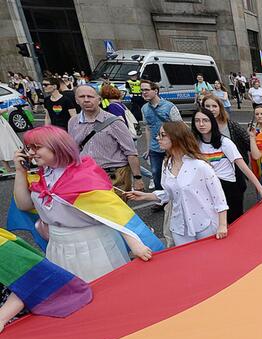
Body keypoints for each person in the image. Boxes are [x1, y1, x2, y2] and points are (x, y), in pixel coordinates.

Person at [12, 126, 155, 281]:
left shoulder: (84, 175)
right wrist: (20, 172)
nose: (30, 153)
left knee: (104, 291)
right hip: (58, 245)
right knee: (70, 295)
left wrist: (135, 244)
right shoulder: (40, 175)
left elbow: (115, 212)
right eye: (28, 148)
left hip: (93, 245)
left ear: (58, 147)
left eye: (37, 147)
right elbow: (24, 205)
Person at [126, 122, 228, 246]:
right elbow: (170, 193)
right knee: (187, 262)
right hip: (179, 226)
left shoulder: (200, 166)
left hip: (205, 224)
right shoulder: (166, 164)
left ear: (176, 137)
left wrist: (222, 225)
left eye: (162, 135)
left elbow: (219, 198)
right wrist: (145, 196)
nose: (158, 138)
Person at [191, 109, 262, 223]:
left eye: (205, 120)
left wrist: (261, 189)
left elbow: (243, 166)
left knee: (234, 222)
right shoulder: (194, 144)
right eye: (197, 121)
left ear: (212, 122)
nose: (201, 124)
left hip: (228, 187)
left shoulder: (225, 142)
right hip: (207, 188)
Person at [68, 84, 143, 192]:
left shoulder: (114, 122)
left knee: (116, 208)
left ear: (99, 100)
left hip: (114, 176)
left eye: (90, 96)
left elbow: (131, 152)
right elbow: (74, 150)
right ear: (76, 100)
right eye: (82, 97)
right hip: (87, 175)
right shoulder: (73, 122)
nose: (86, 100)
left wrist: (137, 178)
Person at [141, 79, 182, 190]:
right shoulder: (144, 109)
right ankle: (160, 200)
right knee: (156, 172)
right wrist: (148, 147)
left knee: (173, 172)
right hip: (155, 146)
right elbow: (148, 128)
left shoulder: (169, 106)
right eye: (142, 90)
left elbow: (179, 126)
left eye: (147, 90)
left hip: (171, 146)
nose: (144, 93)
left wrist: (178, 145)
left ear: (155, 91)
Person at [201, 94, 250, 163]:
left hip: (235, 168)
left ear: (220, 108)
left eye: (214, 106)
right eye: (207, 106)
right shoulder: (199, 127)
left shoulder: (232, 125)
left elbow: (249, 143)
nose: (211, 109)